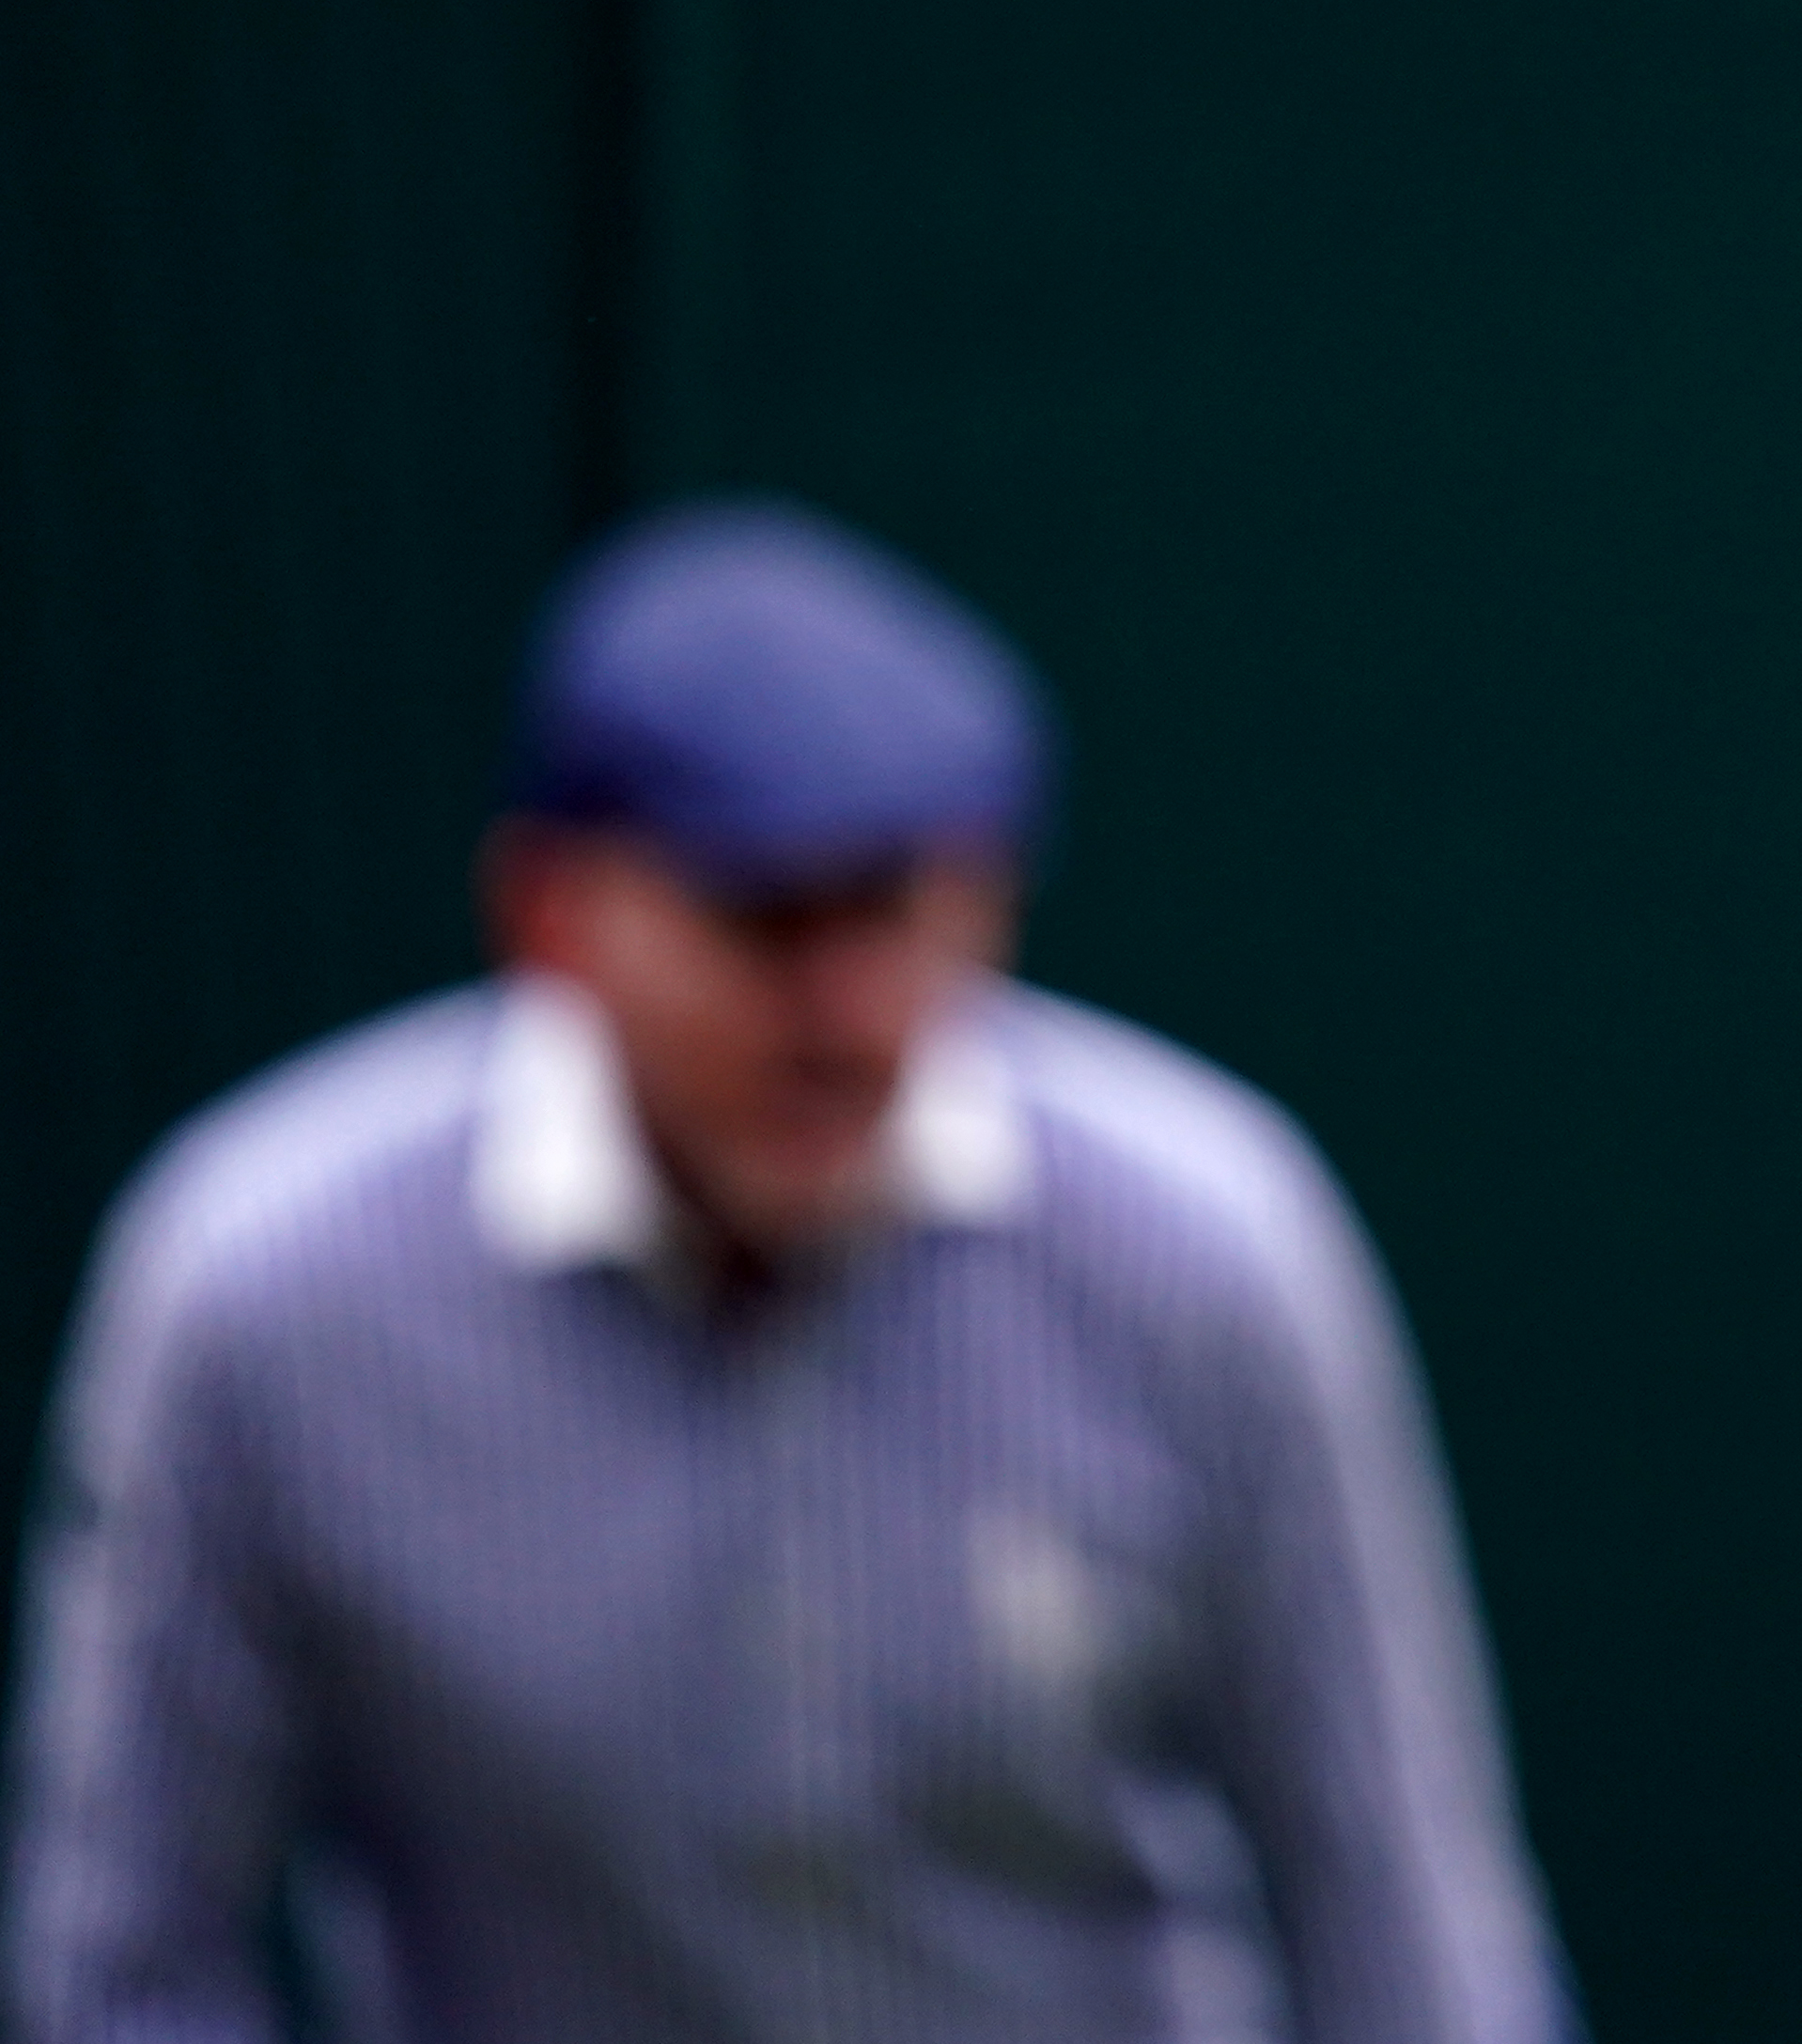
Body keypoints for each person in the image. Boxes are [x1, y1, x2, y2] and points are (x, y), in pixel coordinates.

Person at [9, 500, 1565, 2044]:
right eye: (761, 921)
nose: (841, 1014)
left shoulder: (1210, 1247)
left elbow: (1408, 1925)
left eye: (894, 908)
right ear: (550, 913)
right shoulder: (262, 1288)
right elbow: (122, 1963)